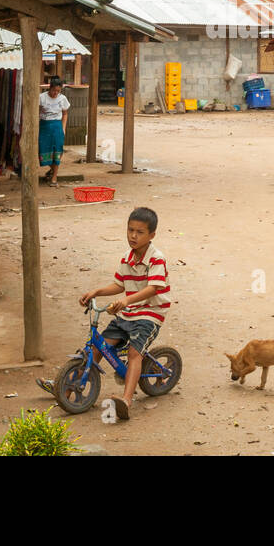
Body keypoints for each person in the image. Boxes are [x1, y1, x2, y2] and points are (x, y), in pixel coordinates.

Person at [76, 207, 170, 420]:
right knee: (98, 346)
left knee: (135, 354)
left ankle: (126, 399)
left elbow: (153, 288)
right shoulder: (127, 257)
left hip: (150, 312)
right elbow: (119, 284)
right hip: (128, 312)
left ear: (152, 235)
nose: (133, 236)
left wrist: (127, 299)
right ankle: (71, 382)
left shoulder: (156, 259)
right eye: (130, 230)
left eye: (140, 232)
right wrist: (97, 291)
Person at [38, 75, 70, 186]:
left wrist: (63, 128)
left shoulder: (63, 99)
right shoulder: (41, 97)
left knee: (57, 151)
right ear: (49, 88)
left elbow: (65, 113)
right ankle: (52, 169)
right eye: (53, 90)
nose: (55, 93)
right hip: (44, 126)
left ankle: (54, 178)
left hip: (57, 127)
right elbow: (37, 112)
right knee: (42, 150)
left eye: (58, 91)